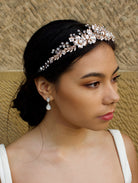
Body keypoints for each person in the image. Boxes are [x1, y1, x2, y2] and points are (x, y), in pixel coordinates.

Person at [0, 20, 137, 183]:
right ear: (45, 87)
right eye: (93, 84)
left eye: (114, 78)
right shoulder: (8, 168)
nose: (114, 97)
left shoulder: (121, 150)